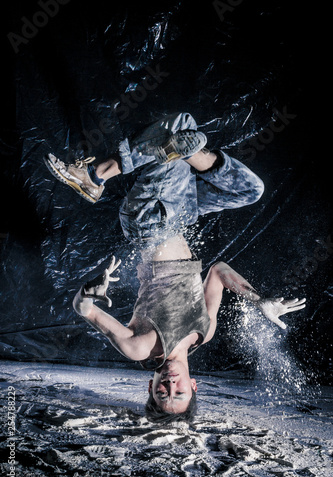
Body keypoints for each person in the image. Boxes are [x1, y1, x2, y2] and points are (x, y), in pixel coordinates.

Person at [44, 112, 306, 423]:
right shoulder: (204, 334)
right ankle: (187, 152)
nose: (171, 384)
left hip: (150, 222)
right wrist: (259, 300)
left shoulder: (139, 348)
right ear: (194, 386)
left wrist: (89, 292)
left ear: (150, 385)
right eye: (179, 393)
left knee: (180, 126)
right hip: (180, 218)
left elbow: (83, 308)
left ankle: (96, 175)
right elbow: (219, 271)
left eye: (161, 392)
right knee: (249, 190)